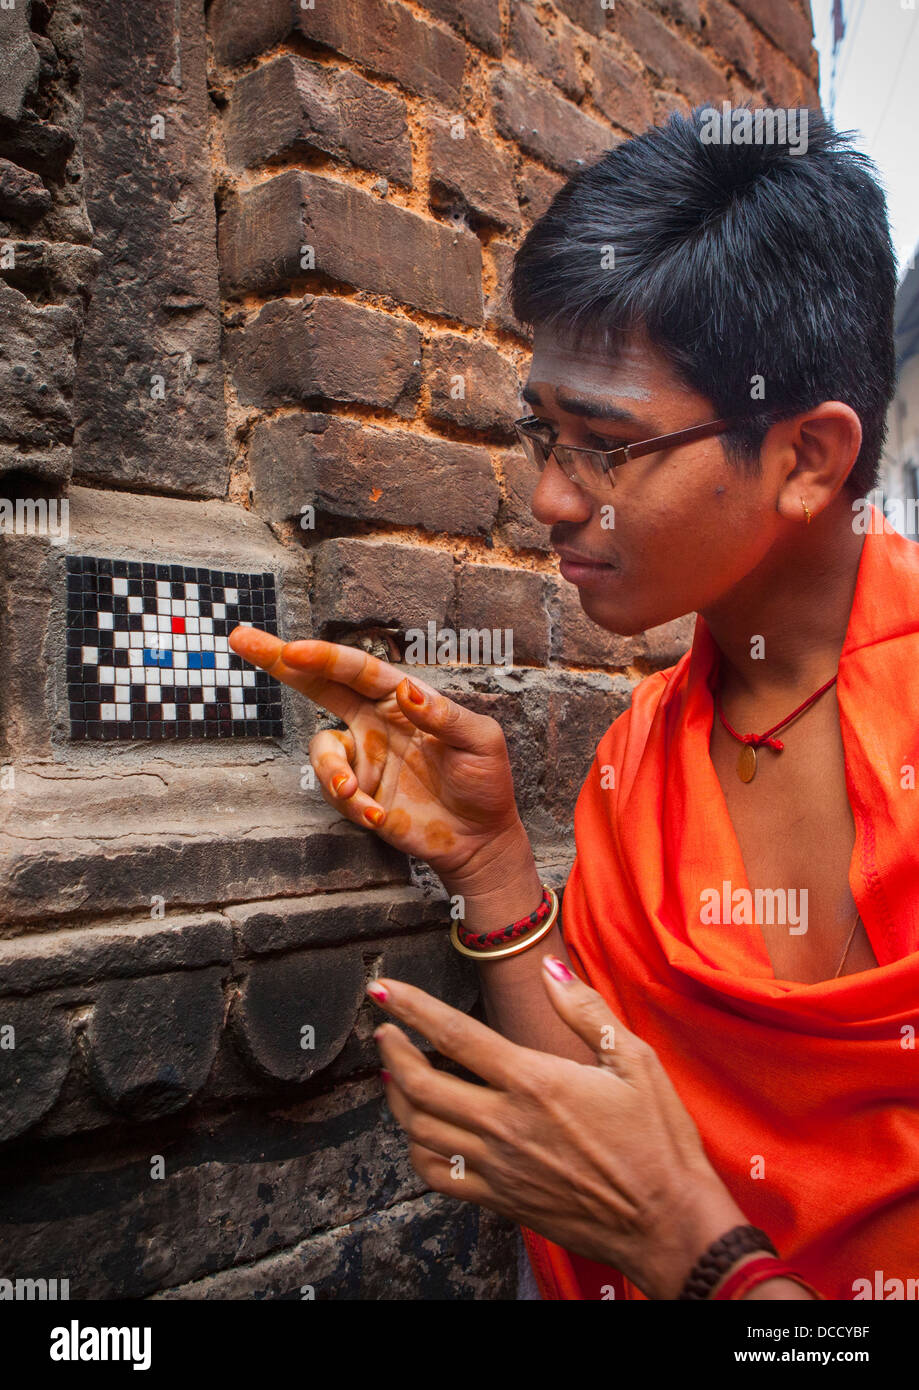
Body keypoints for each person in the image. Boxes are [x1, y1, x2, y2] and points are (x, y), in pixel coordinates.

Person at [229, 107, 919, 1301]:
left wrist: (699, 1258)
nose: (549, 497)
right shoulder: (643, 752)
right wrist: (493, 859)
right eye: (540, 433)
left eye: (604, 444)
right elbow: (598, 1133)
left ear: (808, 456)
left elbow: (652, 1215)